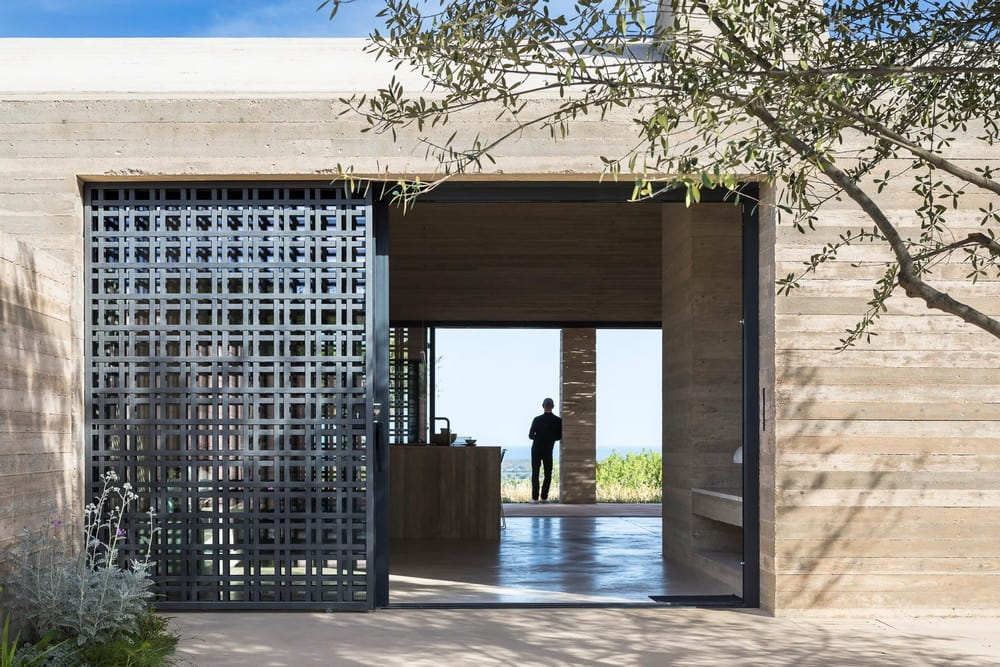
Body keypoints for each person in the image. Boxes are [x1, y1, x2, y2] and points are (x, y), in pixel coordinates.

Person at [528, 397, 562, 503]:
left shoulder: (537, 419)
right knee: (548, 474)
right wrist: (549, 438)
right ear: (553, 407)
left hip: (536, 449)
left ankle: (534, 498)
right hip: (548, 449)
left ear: (543, 406)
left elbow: (530, 435)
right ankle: (544, 497)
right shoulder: (558, 421)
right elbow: (559, 436)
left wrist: (539, 437)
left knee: (535, 473)